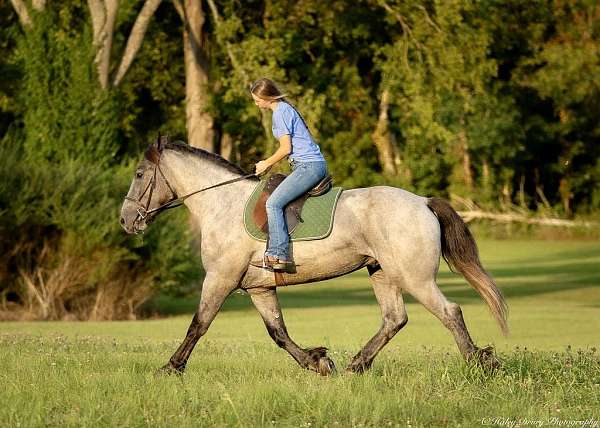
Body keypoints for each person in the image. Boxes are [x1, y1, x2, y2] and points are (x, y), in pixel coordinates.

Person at [250, 78, 328, 272]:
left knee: (273, 203)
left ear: (266, 97)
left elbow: (286, 148)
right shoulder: (283, 109)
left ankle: (278, 255)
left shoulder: (281, 113)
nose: (256, 103)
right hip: (306, 165)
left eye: (257, 99)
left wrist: (266, 163)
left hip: (308, 166)